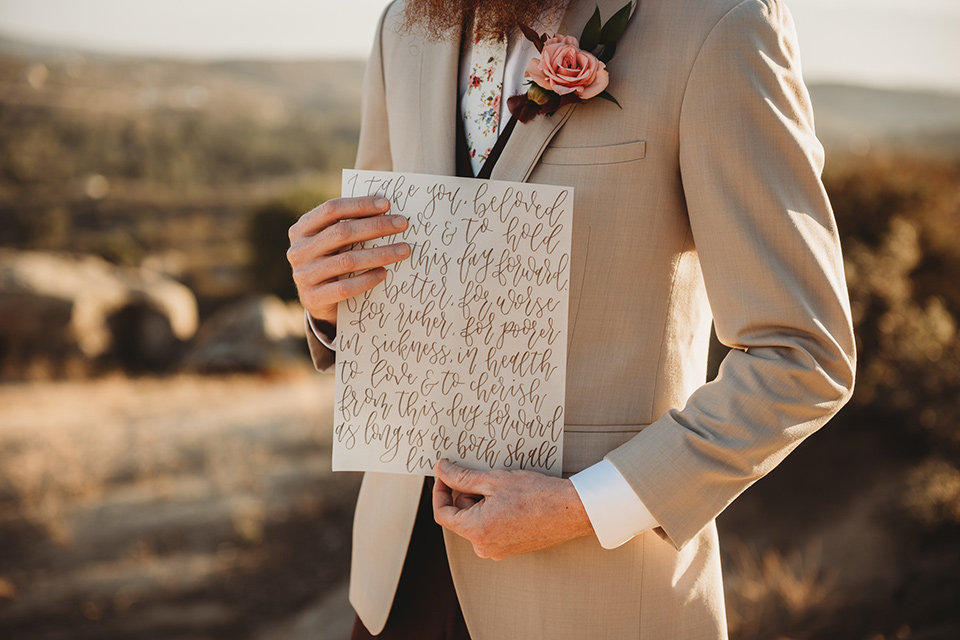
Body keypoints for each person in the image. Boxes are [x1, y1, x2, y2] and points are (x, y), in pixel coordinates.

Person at [285, 0, 856, 637]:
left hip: (594, 598)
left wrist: (584, 506)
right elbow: (385, 274)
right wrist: (331, 304)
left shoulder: (719, 23)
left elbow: (803, 358)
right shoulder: (406, 24)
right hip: (394, 591)